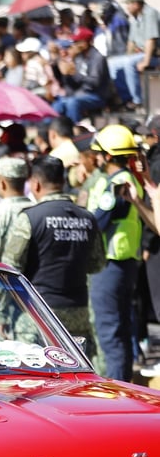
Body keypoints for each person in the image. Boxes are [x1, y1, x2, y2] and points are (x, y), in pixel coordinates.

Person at [1, 156, 105, 359]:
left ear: (36, 184)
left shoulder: (30, 217)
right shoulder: (87, 218)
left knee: (35, 377)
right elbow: (98, 264)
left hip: (37, 314)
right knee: (76, 376)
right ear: (63, 183)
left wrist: (3, 311)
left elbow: (9, 268)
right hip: (78, 311)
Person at [86, 125, 149, 381]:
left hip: (110, 266)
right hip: (124, 264)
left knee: (110, 334)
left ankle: (118, 392)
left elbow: (97, 222)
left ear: (109, 156)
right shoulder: (130, 180)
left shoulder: (116, 184)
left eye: (99, 153)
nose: (97, 158)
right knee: (120, 331)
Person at [107, 0, 159, 111]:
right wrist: (127, 56)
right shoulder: (135, 17)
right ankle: (126, 98)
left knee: (129, 63)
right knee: (112, 63)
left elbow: (150, 39)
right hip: (141, 54)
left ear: (136, 4)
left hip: (154, 55)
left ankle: (137, 100)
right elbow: (131, 42)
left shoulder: (150, 14)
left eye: (129, 4)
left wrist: (145, 62)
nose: (127, 7)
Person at [51, 27, 111, 124]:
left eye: (77, 42)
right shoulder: (79, 58)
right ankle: (57, 131)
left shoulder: (98, 58)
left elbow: (94, 82)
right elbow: (70, 84)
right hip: (79, 94)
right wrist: (64, 72)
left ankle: (75, 130)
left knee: (72, 103)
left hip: (96, 95)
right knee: (58, 105)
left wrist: (75, 74)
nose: (74, 45)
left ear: (85, 43)